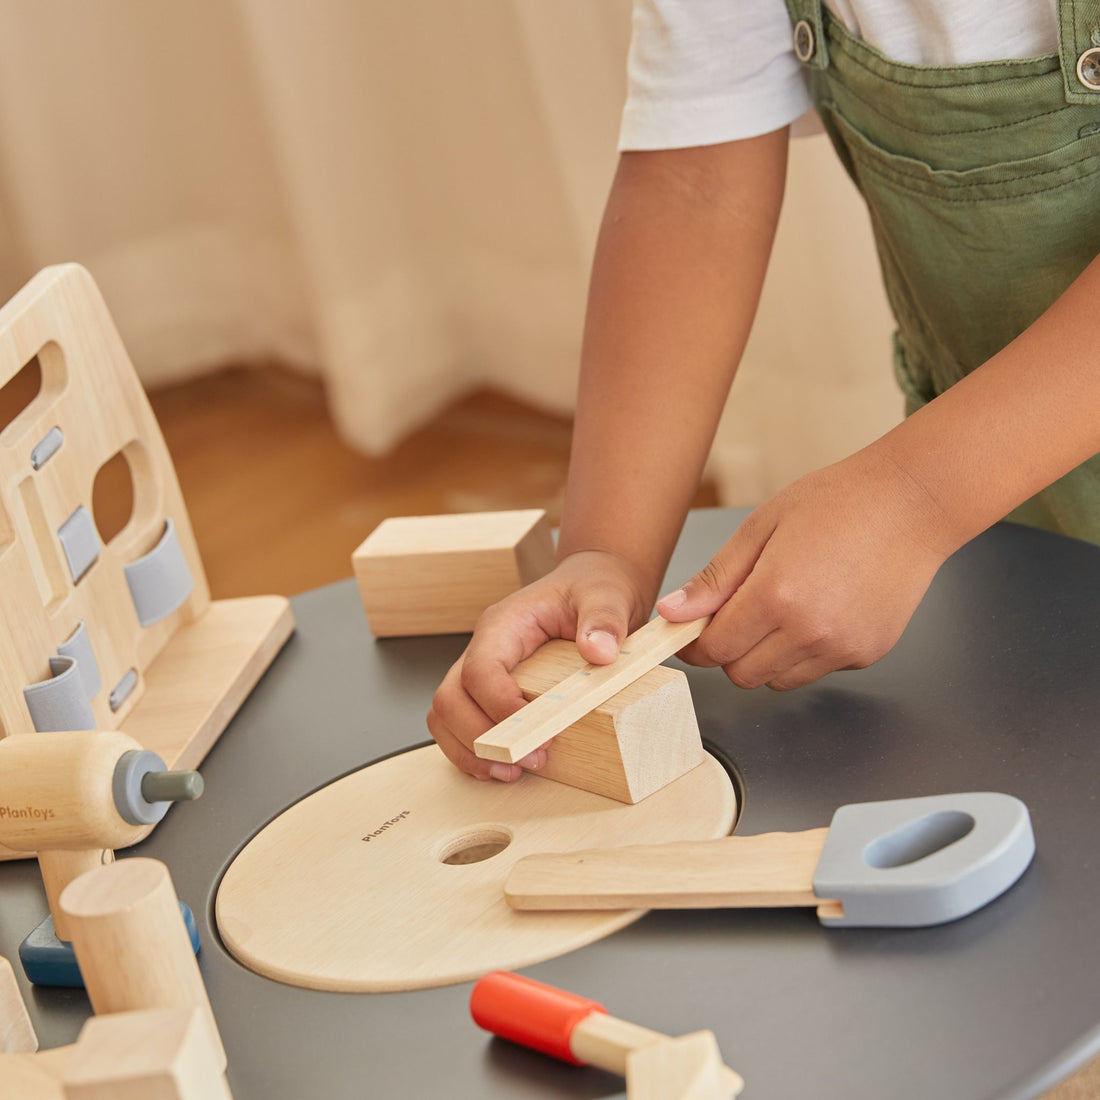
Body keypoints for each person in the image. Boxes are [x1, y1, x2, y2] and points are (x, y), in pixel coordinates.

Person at [428, 0, 1100, 781]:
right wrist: (604, 553)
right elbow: (692, 185)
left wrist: (916, 496)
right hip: (1008, 498)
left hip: (959, 480)